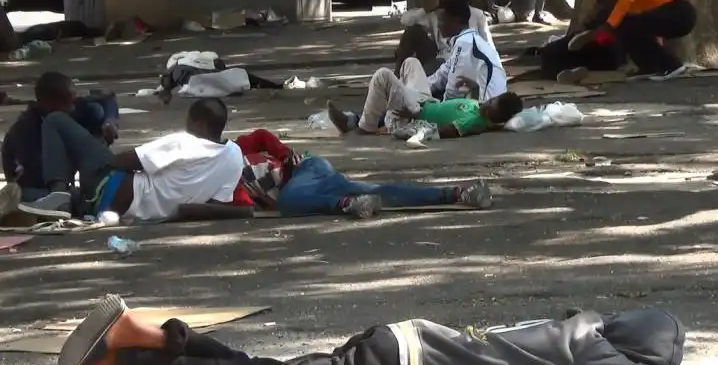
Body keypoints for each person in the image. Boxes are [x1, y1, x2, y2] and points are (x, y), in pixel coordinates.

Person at [58, 294, 686, 365]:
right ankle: (127, 357)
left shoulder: (579, 329)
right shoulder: (593, 362)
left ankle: (148, 345)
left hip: (405, 343)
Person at [182, 127, 493, 219]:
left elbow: (262, 135)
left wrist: (283, 154)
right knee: (376, 190)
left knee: (290, 203)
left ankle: (345, 205)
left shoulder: (233, 150)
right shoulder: (223, 184)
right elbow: (243, 205)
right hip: (310, 187)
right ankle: (459, 193)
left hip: (306, 170)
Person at [16, 97, 243, 222]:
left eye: (189, 121)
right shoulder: (234, 156)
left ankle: (58, 192)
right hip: (118, 210)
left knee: (56, 121)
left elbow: (125, 161)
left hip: (111, 186)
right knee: (27, 197)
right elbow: (218, 204)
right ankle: (53, 197)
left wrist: (97, 146)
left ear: (199, 124)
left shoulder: (184, 142)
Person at [328, 57, 522, 139]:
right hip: (425, 100)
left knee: (382, 75)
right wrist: (475, 87)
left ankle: (363, 126)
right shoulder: (480, 108)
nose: (485, 104)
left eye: (490, 108)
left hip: (414, 112)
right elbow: (472, 104)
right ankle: (389, 99)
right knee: (411, 63)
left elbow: (438, 132)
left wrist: (413, 120)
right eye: (490, 101)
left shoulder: (474, 122)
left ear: (494, 119)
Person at [1, 72, 120, 203]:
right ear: (48, 102)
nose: (73, 108)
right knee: (22, 198)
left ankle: (94, 183)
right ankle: (73, 198)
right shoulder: (24, 130)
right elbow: (35, 174)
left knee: (95, 110)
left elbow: (106, 99)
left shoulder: (71, 109)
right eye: (67, 103)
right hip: (35, 185)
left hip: (70, 176)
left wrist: (110, 122)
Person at [567, 0, 696, 81]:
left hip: (681, 11)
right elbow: (642, 32)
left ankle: (673, 65)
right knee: (629, 27)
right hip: (678, 15)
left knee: (630, 25)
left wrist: (608, 25)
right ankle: (648, 66)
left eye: (607, 2)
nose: (610, 6)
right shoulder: (637, 3)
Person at [396, 0, 495, 76]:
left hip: (463, 63)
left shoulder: (477, 15)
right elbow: (405, 20)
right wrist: (425, 10)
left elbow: (489, 47)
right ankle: (397, 76)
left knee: (420, 77)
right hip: (439, 59)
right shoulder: (436, 13)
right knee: (413, 32)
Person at [429, 0, 508, 102]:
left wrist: (440, 110)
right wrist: (418, 89)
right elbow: (442, 74)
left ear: (455, 20)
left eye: (442, 21)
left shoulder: (465, 43)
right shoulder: (467, 40)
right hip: (486, 102)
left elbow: (454, 90)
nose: (438, 25)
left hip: (487, 108)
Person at [539, 5, 626, 84]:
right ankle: (576, 71)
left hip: (599, 45)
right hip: (603, 54)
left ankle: (574, 70)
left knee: (550, 60)